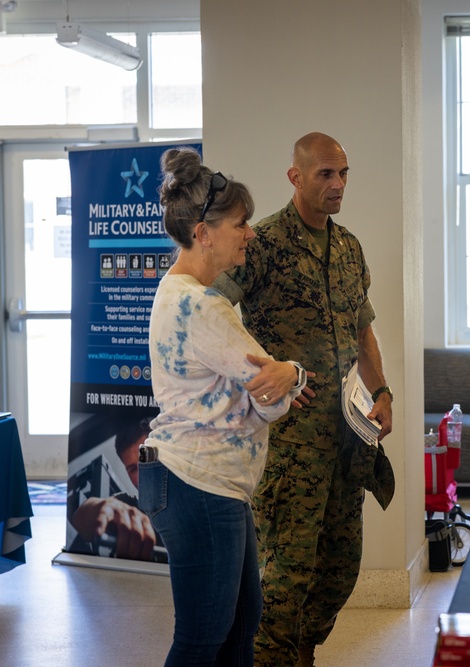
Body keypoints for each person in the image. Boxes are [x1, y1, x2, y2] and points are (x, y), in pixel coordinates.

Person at [214, 131, 393, 667]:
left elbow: (363, 330)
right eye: (325, 174)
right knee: (285, 583)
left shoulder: (348, 247)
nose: (337, 184)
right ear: (295, 177)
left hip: (345, 440)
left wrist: (381, 390)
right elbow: (213, 311)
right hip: (288, 446)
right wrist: (251, 373)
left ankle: (299, 657)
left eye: (343, 173)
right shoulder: (261, 243)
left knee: (339, 572)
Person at [139, 147, 307, 666]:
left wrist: (283, 376)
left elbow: (266, 392)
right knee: (203, 637)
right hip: (199, 484)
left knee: (237, 629)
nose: (250, 234)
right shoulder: (202, 306)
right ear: (203, 233)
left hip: (200, 482)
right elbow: (273, 394)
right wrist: (293, 373)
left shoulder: (180, 293)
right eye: (241, 224)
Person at [69, 416, 161, 561]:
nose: (142, 477)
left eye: (147, 460)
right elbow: (82, 516)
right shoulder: (128, 504)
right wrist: (98, 508)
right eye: (132, 469)